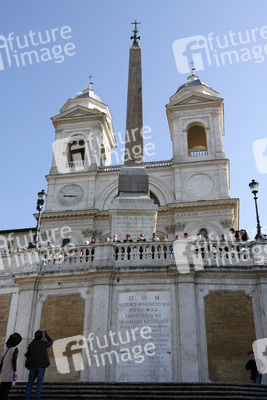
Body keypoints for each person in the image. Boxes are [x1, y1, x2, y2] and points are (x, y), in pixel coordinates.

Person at [24, 330, 53, 400]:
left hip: (32, 366)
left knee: (30, 384)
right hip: (41, 366)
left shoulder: (32, 344)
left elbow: (27, 353)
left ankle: (27, 398)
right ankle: (37, 398)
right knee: (39, 384)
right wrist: (46, 335)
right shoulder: (44, 343)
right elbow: (50, 342)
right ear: (41, 336)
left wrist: (36, 338)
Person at [0, 332, 22, 400]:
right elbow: (14, 361)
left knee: (1, 391)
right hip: (9, 373)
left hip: (3, 373)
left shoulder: (6, 348)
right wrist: (15, 371)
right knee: (5, 392)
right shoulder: (14, 349)